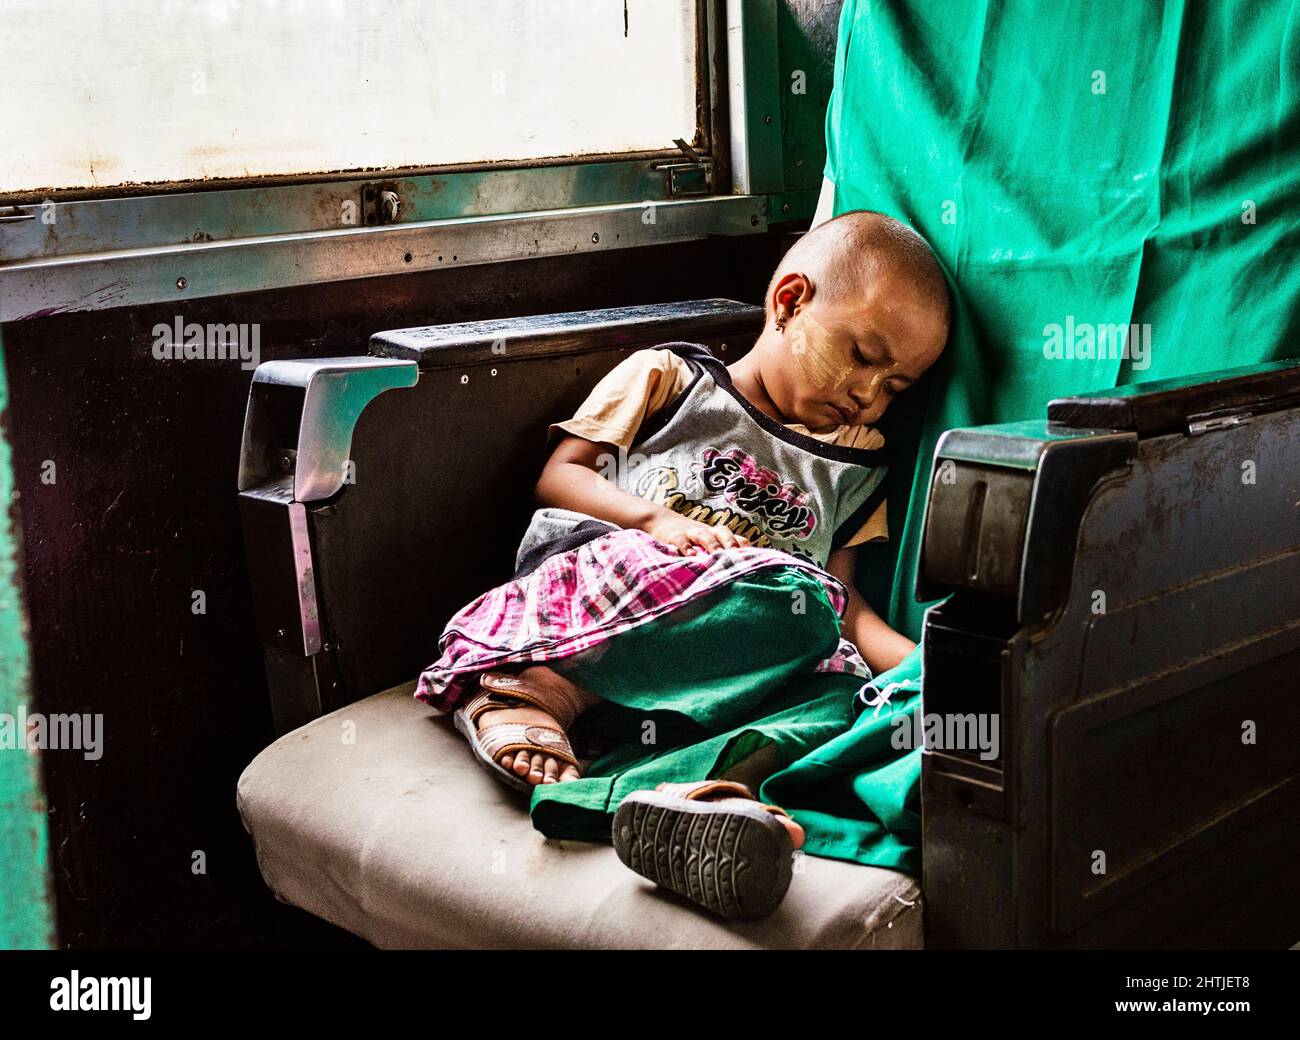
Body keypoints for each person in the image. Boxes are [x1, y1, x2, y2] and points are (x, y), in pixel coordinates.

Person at [417, 210, 950, 917]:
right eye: (861, 356)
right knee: (784, 597)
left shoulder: (853, 464)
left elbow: (843, 609)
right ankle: (534, 688)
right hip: (605, 595)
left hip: (738, 651)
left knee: (838, 687)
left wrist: (928, 670)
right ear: (789, 303)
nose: (868, 394)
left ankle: (692, 798)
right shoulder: (670, 380)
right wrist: (656, 521)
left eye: (897, 386)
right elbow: (560, 477)